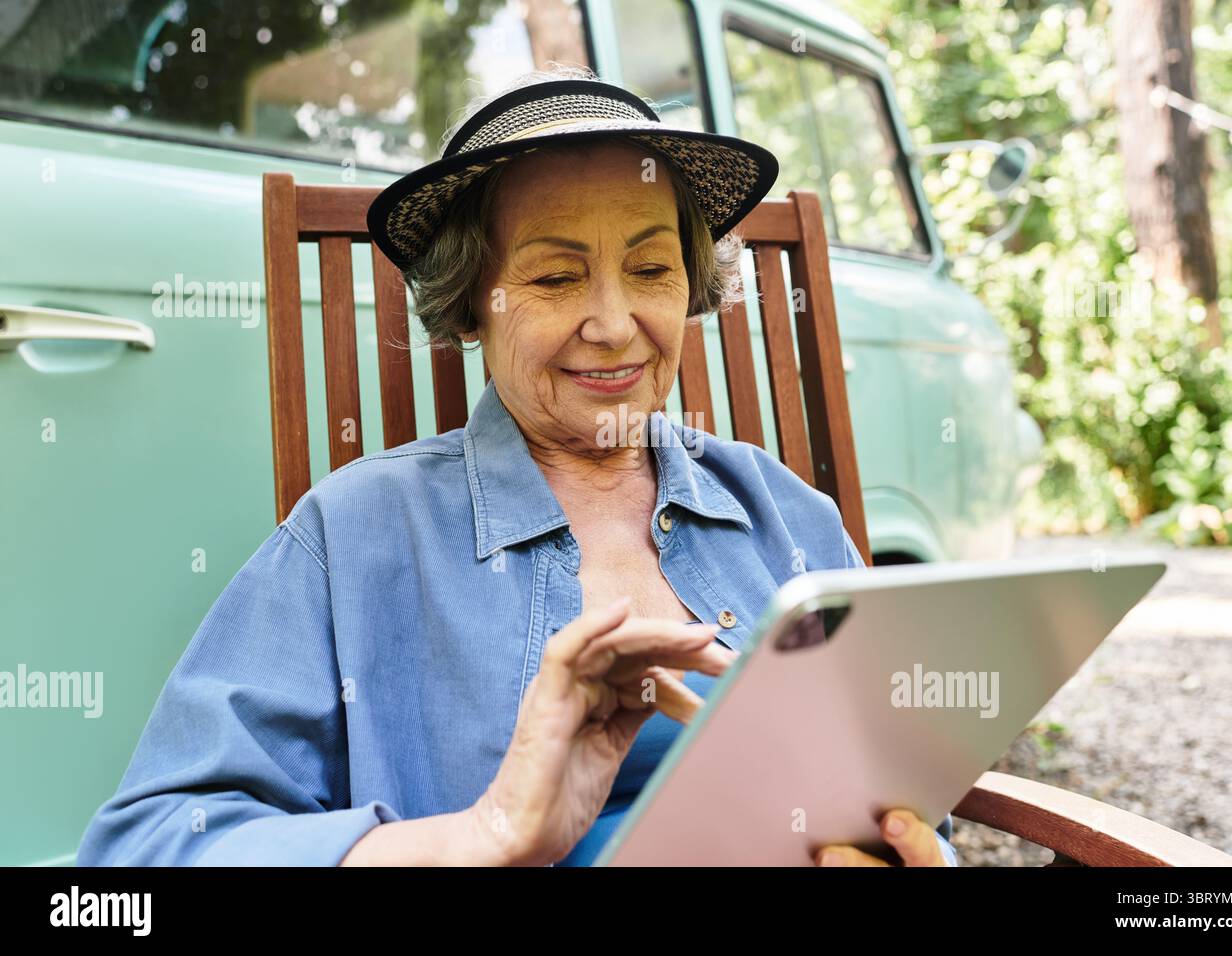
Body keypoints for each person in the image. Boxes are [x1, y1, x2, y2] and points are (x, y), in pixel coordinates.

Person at [77, 68, 955, 867]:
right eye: (554, 280)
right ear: (470, 305)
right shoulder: (355, 537)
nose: (614, 325)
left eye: (650, 268)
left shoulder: (788, 516)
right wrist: (482, 834)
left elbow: (907, 802)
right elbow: (144, 849)